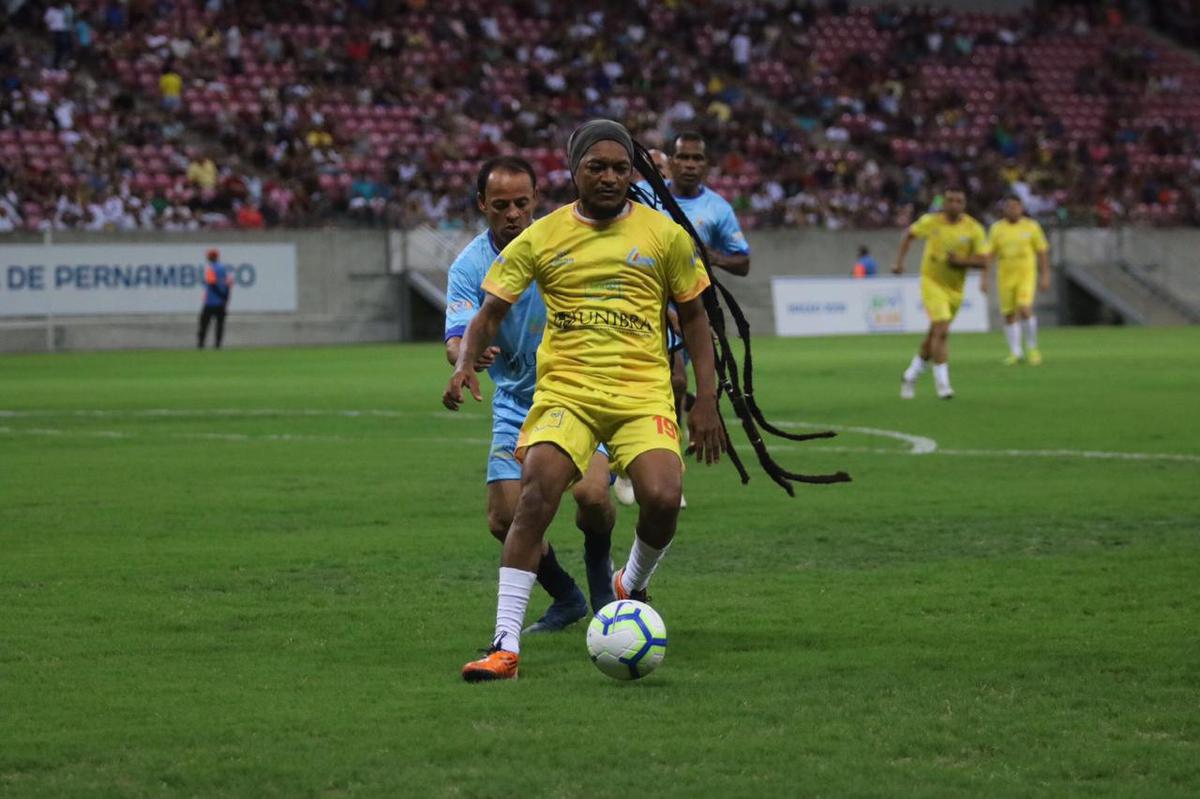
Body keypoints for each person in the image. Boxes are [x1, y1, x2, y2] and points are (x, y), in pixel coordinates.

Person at [444, 120, 725, 682]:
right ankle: (504, 646)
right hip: (565, 393)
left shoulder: (664, 234)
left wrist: (707, 400)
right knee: (534, 497)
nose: (610, 177)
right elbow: (489, 312)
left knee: (664, 498)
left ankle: (630, 583)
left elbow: (696, 318)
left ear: (633, 172)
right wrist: (462, 364)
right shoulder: (542, 236)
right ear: (573, 172)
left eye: (621, 167)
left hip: (640, 392)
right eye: (596, 167)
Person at [444, 156, 616, 632]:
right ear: (482, 205)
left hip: (579, 393)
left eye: (522, 202)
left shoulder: (566, 244)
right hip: (518, 402)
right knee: (503, 519)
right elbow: (457, 334)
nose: (514, 213)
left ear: (537, 199)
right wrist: (464, 360)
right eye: (501, 205)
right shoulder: (470, 266)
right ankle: (568, 597)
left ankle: (605, 592)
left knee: (593, 495)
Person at [614, 131, 751, 508]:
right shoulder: (647, 200)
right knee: (673, 380)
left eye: (697, 159)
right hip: (648, 308)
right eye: (683, 158)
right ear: (670, 163)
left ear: (705, 164)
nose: (690, 165)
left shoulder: (718, 209)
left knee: (674, 388)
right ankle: (642, 468)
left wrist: (712, 257)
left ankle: (646, 465)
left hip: (694, 311)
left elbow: (743, 261)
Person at [893, 188, 990, 399]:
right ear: (943, 203)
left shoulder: (974, 229)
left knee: (934, 334)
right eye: (950, 200)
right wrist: (899, 262)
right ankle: (943, 385)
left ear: (964, 204)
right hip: (932, 283)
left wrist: (961, 262)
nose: (955, 204)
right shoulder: (931, 222)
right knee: (942, 329)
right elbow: (908, 235)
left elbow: (984, 260)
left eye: (959, 201)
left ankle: (911, 374)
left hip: (955, 289)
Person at [985, 196, 1050, 365]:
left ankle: (1033, 348)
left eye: (1016, 206)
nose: (1013, 210)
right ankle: (1015, 352)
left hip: (1026, 275)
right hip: (1005, 276)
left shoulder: (1031, 226)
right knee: (1008, 314)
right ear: (1004, 209)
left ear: (1021, 208)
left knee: (1024, 308)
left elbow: (1042, 251)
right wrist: (984, 277)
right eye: (1009, 207)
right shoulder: (997, 229)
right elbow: (989, 254)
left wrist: (1045, 275)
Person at [197, 249, 232, 348]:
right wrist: (225, 298)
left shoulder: (211, 269)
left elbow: (212, 284)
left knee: (204, 324)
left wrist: (220, 295)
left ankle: (201, 344)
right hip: (221, 302)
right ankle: (217, 344)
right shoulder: (223, 269)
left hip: (210, 301)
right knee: (219, 325)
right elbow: (228, 284)